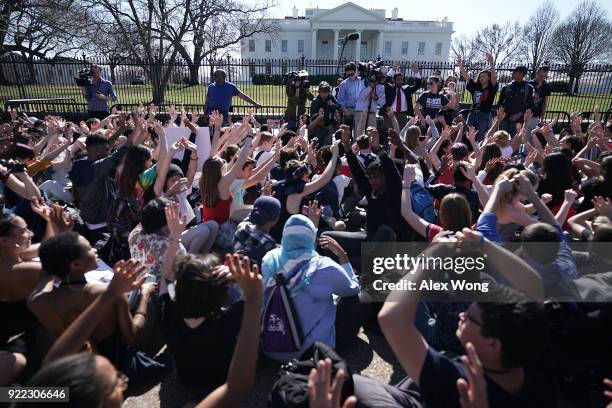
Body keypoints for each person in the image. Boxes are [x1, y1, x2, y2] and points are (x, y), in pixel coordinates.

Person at [260, 214, 359, 362]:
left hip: (270, 347)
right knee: (359, 298)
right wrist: (342, 255)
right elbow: (352, 288)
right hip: (309, 353)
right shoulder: (323, 266)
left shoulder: (269, 259)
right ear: (312, 238)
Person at [458, 53, 498, 142]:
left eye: (484, 76)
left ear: (489, 78)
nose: (481, 78)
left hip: (484, 115)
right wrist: (461, 66)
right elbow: (467, 78)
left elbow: (494, 77)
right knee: (468, 137)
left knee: (481, 138)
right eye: (480, 77)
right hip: (472, 114)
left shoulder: (491, 88)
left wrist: (491, 63)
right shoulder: (475, 87)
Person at [232, 196, 280, 265]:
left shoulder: (242, 228)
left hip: (233, 264)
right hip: (250, 273)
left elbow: (249, 219)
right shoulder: (269, 243)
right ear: (276, 219)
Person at [383, 62, 422, 130]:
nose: (400, 81)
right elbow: (385, 81)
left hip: (403, 115)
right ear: (394, 80)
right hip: (391, 114)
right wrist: (393, 70)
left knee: (402, 135)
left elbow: (417, 86)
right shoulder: (391, 88)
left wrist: (416, 72)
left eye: (401, 79)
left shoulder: (406, 88)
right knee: (390, 134)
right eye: (398, 80)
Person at [498, 66, 535, 137]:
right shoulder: (506, 87)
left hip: (518, 120)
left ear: (521, 74)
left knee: (515, 143)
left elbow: (531, 105)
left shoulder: (528, 88)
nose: (512, 74)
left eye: (514, 72)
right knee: (501, 141)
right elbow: (500, 103)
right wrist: (501, 114)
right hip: (504, 119)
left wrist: (519, 114)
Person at [354, 73, 385, 138]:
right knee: (358, 136)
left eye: (375, 80)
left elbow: (382, 103)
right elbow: (361, 97)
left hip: (372, 114)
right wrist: (370, 87)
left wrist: (375, 98)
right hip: (360, 113)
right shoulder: (362, 83)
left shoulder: (380, 87)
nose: (373, 82)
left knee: (372, 136)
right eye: (371, 80)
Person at [309, 82, 340, 146]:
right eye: (322, 92)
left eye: (326, 92)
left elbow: (339, 107)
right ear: (319, 92)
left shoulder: (331, 98)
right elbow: (312, 117)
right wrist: (319, 116)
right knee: (318, 144)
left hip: (329, 124)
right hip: (318, 125)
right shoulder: (315, 101)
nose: (324, 94)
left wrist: (332, 105)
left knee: (327, 145)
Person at [337, 62, 364, 129]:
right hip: (348, 109)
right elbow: (340, 99)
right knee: (347, 131)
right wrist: (345, 110)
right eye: (348, 75)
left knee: (358, 131)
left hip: (359, 109)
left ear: (355, 72)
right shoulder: (344, 84)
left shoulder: (361, 81)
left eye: (352, 74)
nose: (350, 76)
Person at [527, 65, 551, 132]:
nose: (542, 78)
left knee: (531, 134)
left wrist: (542, 119)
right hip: (525, 113)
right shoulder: (528, 84)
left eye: (545, 76)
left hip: (536, 114)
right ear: (536, 74)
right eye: (541, 75)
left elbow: (544, 103)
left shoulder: (546, 86)